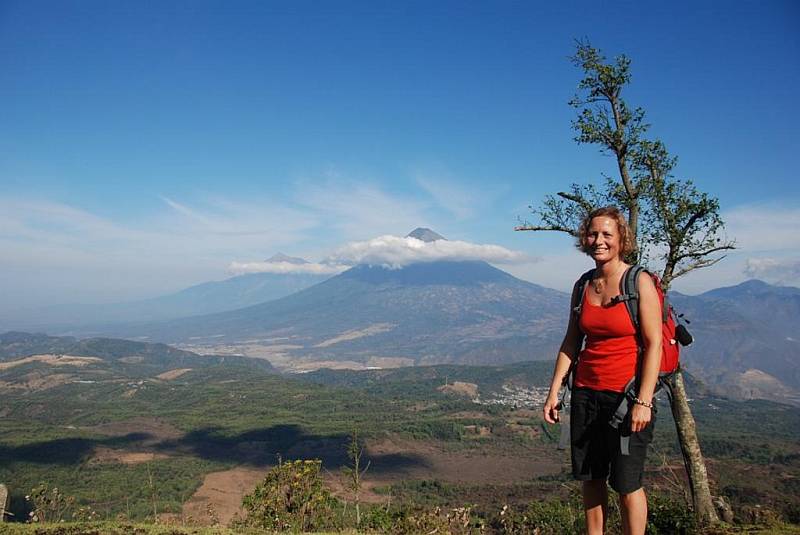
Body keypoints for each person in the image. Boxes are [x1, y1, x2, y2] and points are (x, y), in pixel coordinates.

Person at [542, 206, 662, 535]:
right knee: (591, 478)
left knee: (626, 484)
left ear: (621, 239)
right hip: (585, 395)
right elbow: (571, 341)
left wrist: (645, 401)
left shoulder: (639, 283)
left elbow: (655, 345)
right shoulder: (583, 286)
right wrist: (554, 391)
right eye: (593, 234)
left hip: (626, 398)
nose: (599, 240)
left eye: (607, 234)